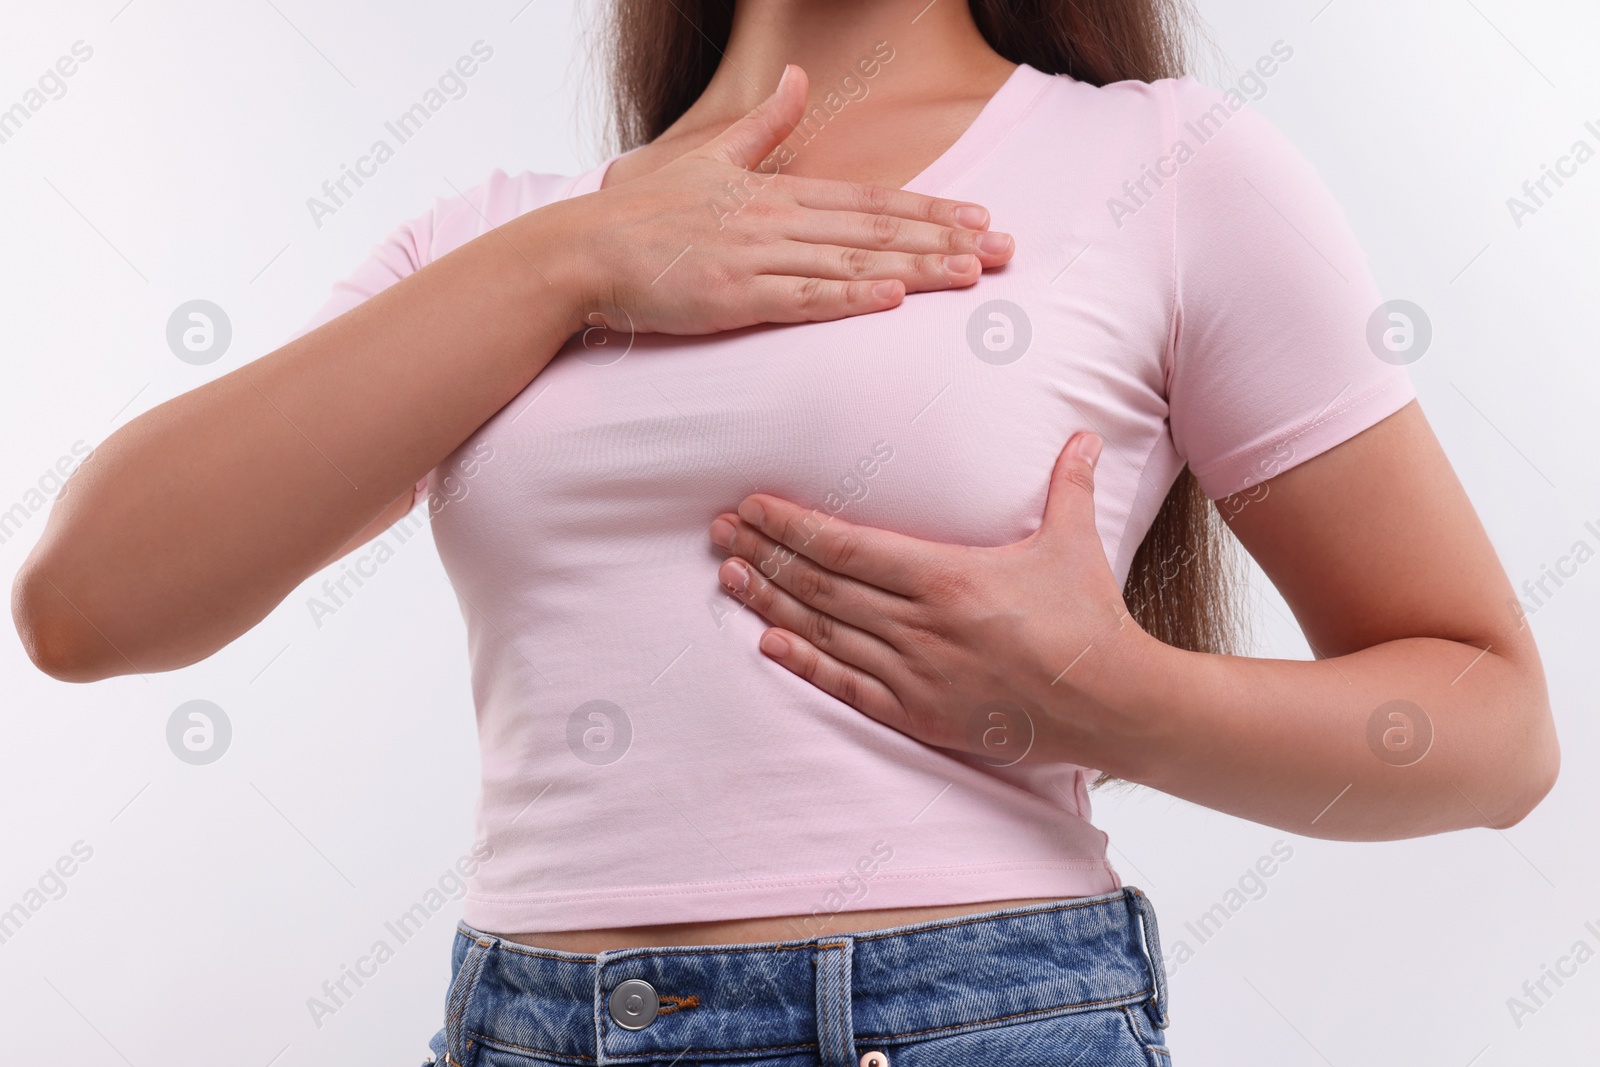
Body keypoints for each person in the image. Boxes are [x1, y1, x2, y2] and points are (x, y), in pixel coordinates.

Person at [12, 1, 1557, 1063]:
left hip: (970, 1020)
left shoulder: (1165, 168)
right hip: (525, 1024)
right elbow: (87, 604)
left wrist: (1111, 701)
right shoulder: (500, 236)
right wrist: (574, 260)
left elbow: (1496, 731)